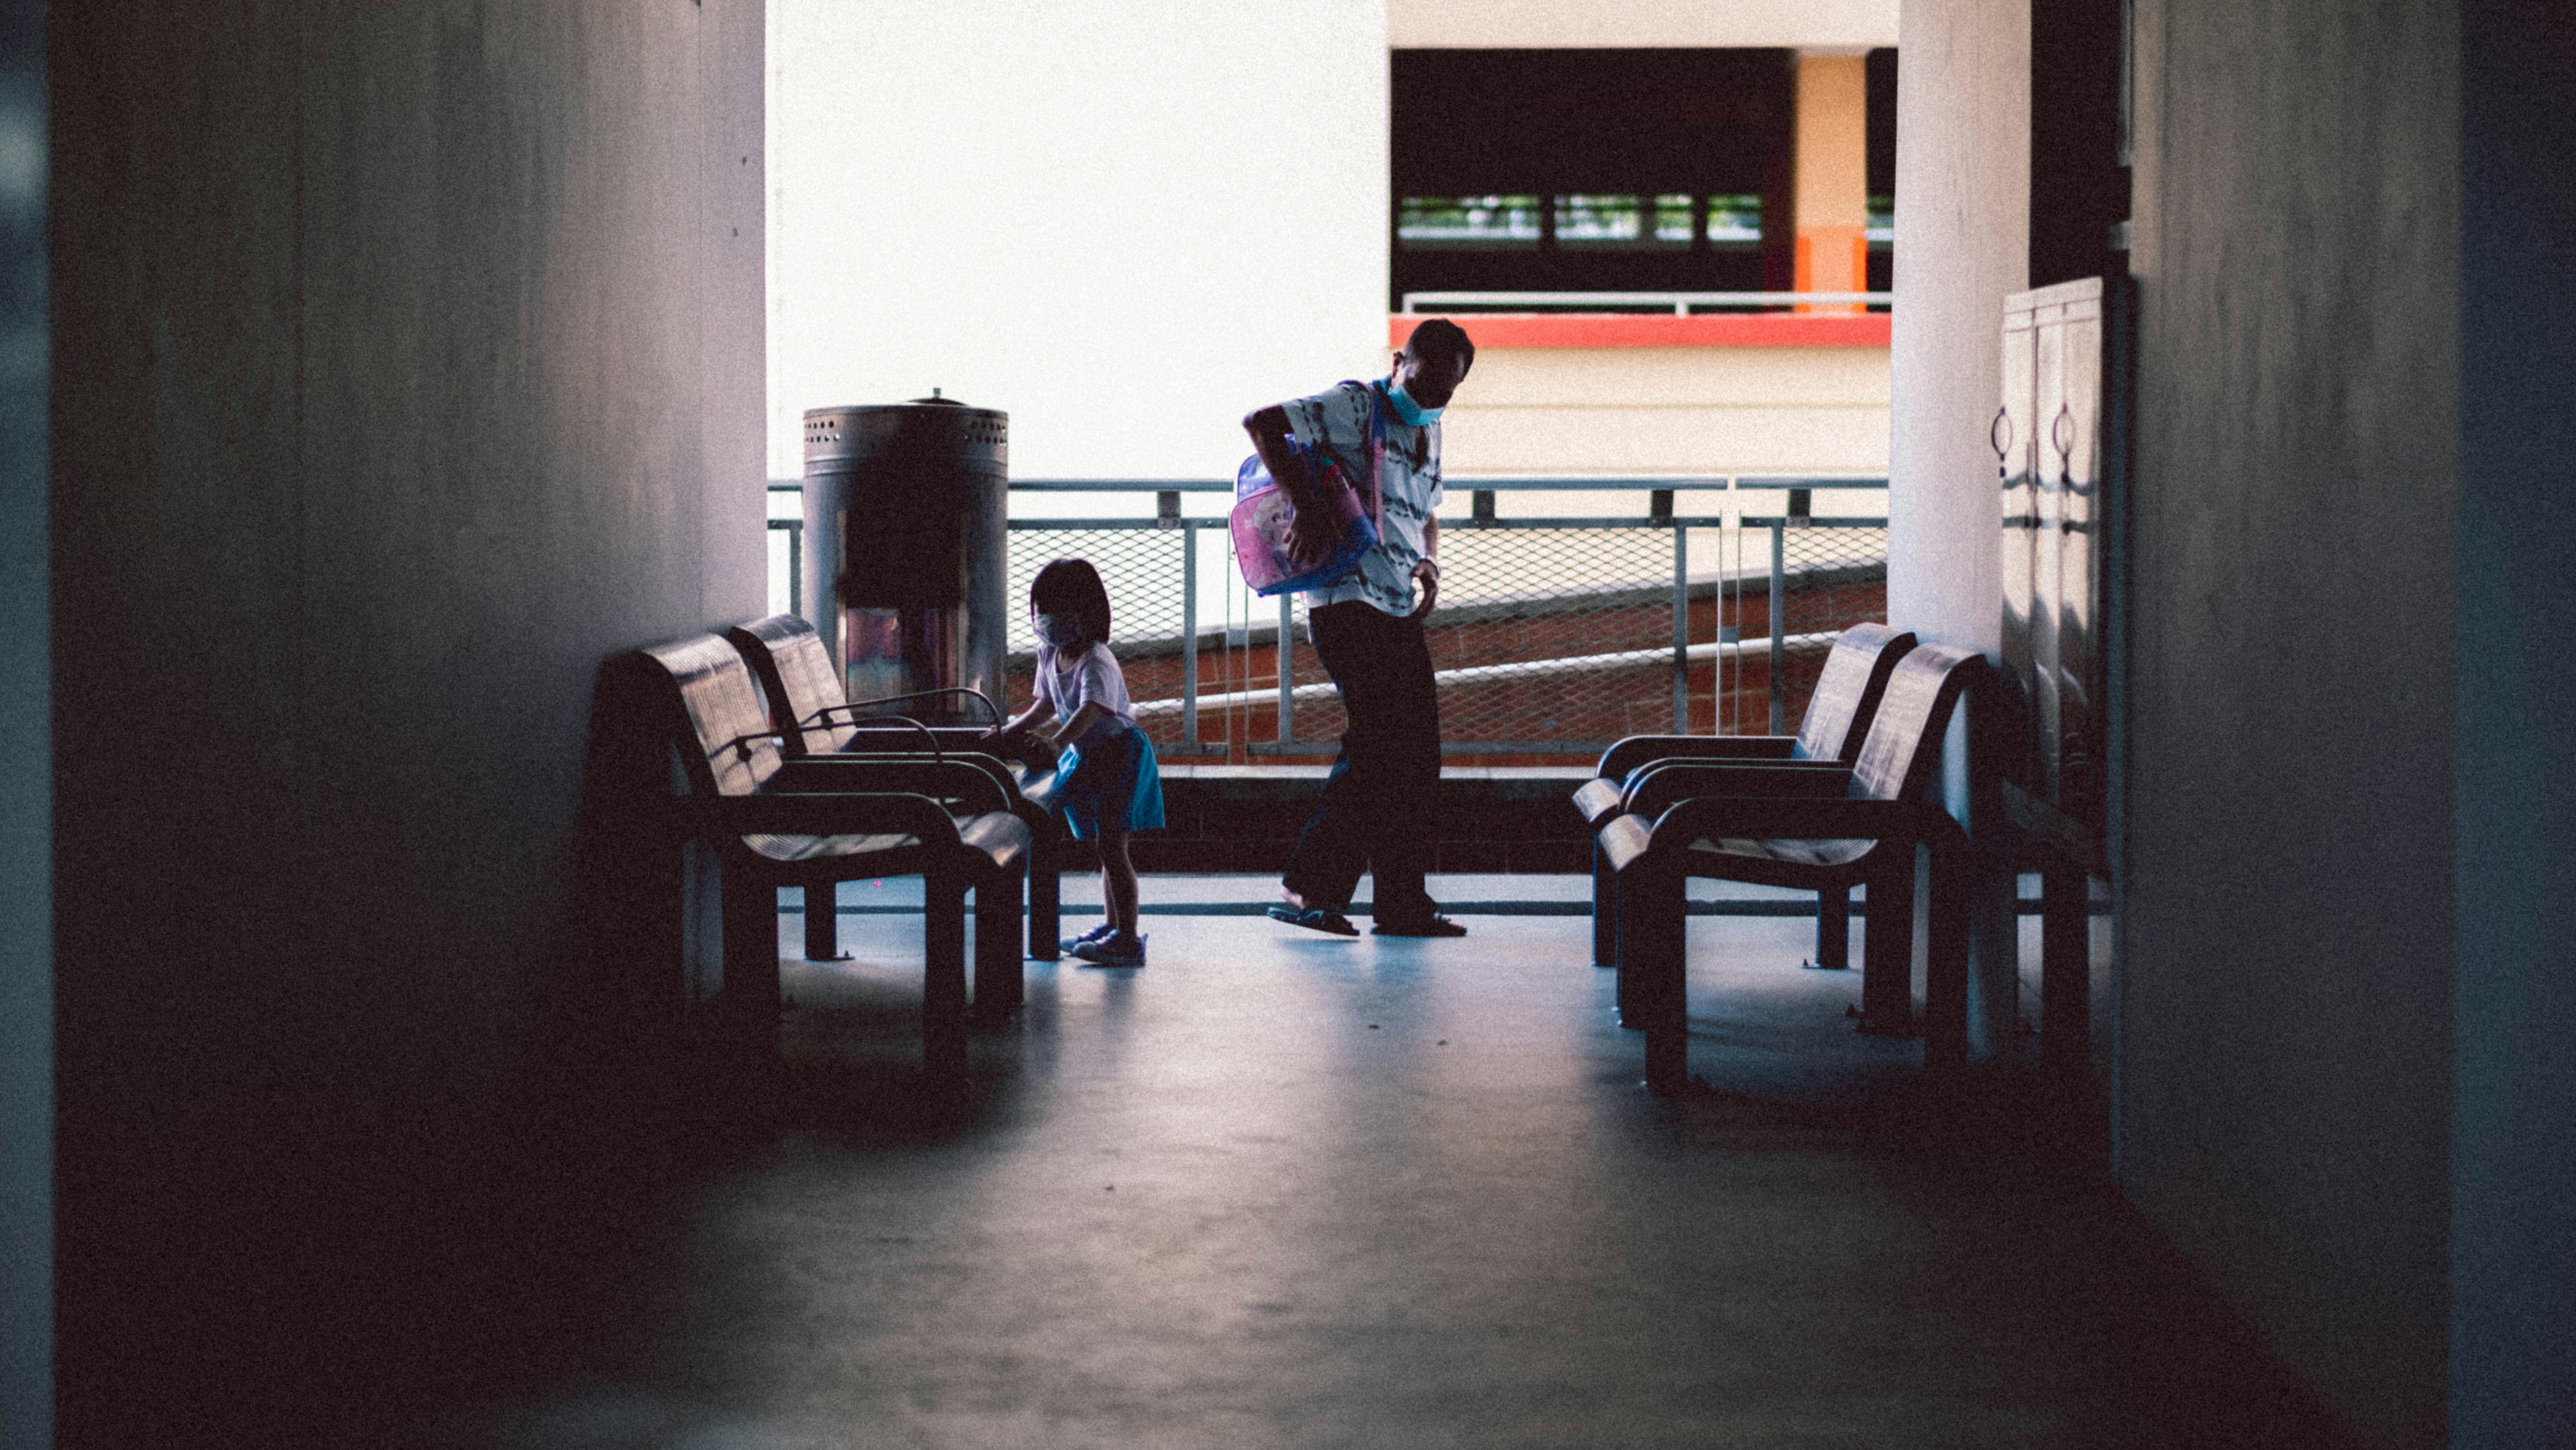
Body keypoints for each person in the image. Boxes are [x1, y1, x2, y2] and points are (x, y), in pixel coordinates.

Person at [1243, 317, 1475, 939]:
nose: (1429, 401)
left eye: (1444, 394)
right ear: (1400, 361)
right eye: (1422, 384)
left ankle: (1401, 903)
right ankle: (1305, 892)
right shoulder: (1355, 404)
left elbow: (1426, 512)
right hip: (1345, 599)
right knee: (1377, 747)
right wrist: (1307, 505)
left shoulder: (1431, 429)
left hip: (1399, 602)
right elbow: (1263, 424)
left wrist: (1429, 560)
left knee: (1416, 756)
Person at [985, 558, 1165, 967]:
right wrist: (1010, 733)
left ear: (1087, 614)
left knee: (1113, 845)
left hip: (1120, 754)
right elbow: (1046, 703)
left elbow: (1092, 710)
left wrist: (1056, 740)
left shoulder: (1096, 659)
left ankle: (1129, 937)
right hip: (1088, 754)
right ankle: (1114, 925)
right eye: (1043, 610)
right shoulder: (1049, 652)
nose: (1048, 620)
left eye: (1059, 610)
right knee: (1105, 845)